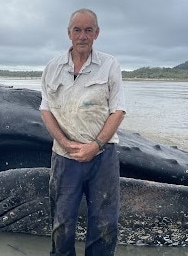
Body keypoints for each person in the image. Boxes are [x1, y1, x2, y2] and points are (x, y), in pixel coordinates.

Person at [39, 8, 126, 256]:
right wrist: (65, 142)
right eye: (77, 30)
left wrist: (95, 146)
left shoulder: (109, 65)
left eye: (88, 30)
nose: (82, 36)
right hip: (65, 158)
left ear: (96, 33)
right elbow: (46, 110)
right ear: (69, 33)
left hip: (102, 156)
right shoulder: (52, 68)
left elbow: (118, 110)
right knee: (62, 223)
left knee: (105, 223)